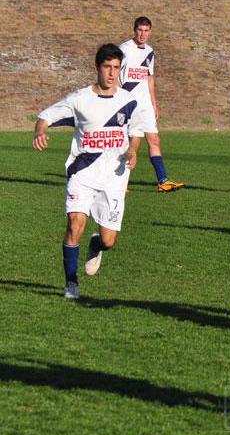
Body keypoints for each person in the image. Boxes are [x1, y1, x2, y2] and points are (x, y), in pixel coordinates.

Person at [32, 43, 142, 300]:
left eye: (117, 68)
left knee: (109, 240)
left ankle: (96, 244)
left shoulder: (128, 101)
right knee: (74, 224)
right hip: (83, 172)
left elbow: (135, 133)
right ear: (97, 68)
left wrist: (134, 150)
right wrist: (40, 131)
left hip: (114, 177)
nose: (112, 73)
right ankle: (71, 283)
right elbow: (45, 116)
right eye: (107, 67)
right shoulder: (80, 99)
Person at [119, 16, 184, 192]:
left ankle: (163, 181)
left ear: (150, 32)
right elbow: (117, 76)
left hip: (146, 105)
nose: (143, 34)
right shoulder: (124, 49)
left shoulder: (150, 51)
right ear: (134, 30)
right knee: (133, 143)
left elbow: (149, 78)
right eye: (140, 30)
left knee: (154, 139)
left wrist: (154, 104)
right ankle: (120, 184)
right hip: (129, 104)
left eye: (146, 31)